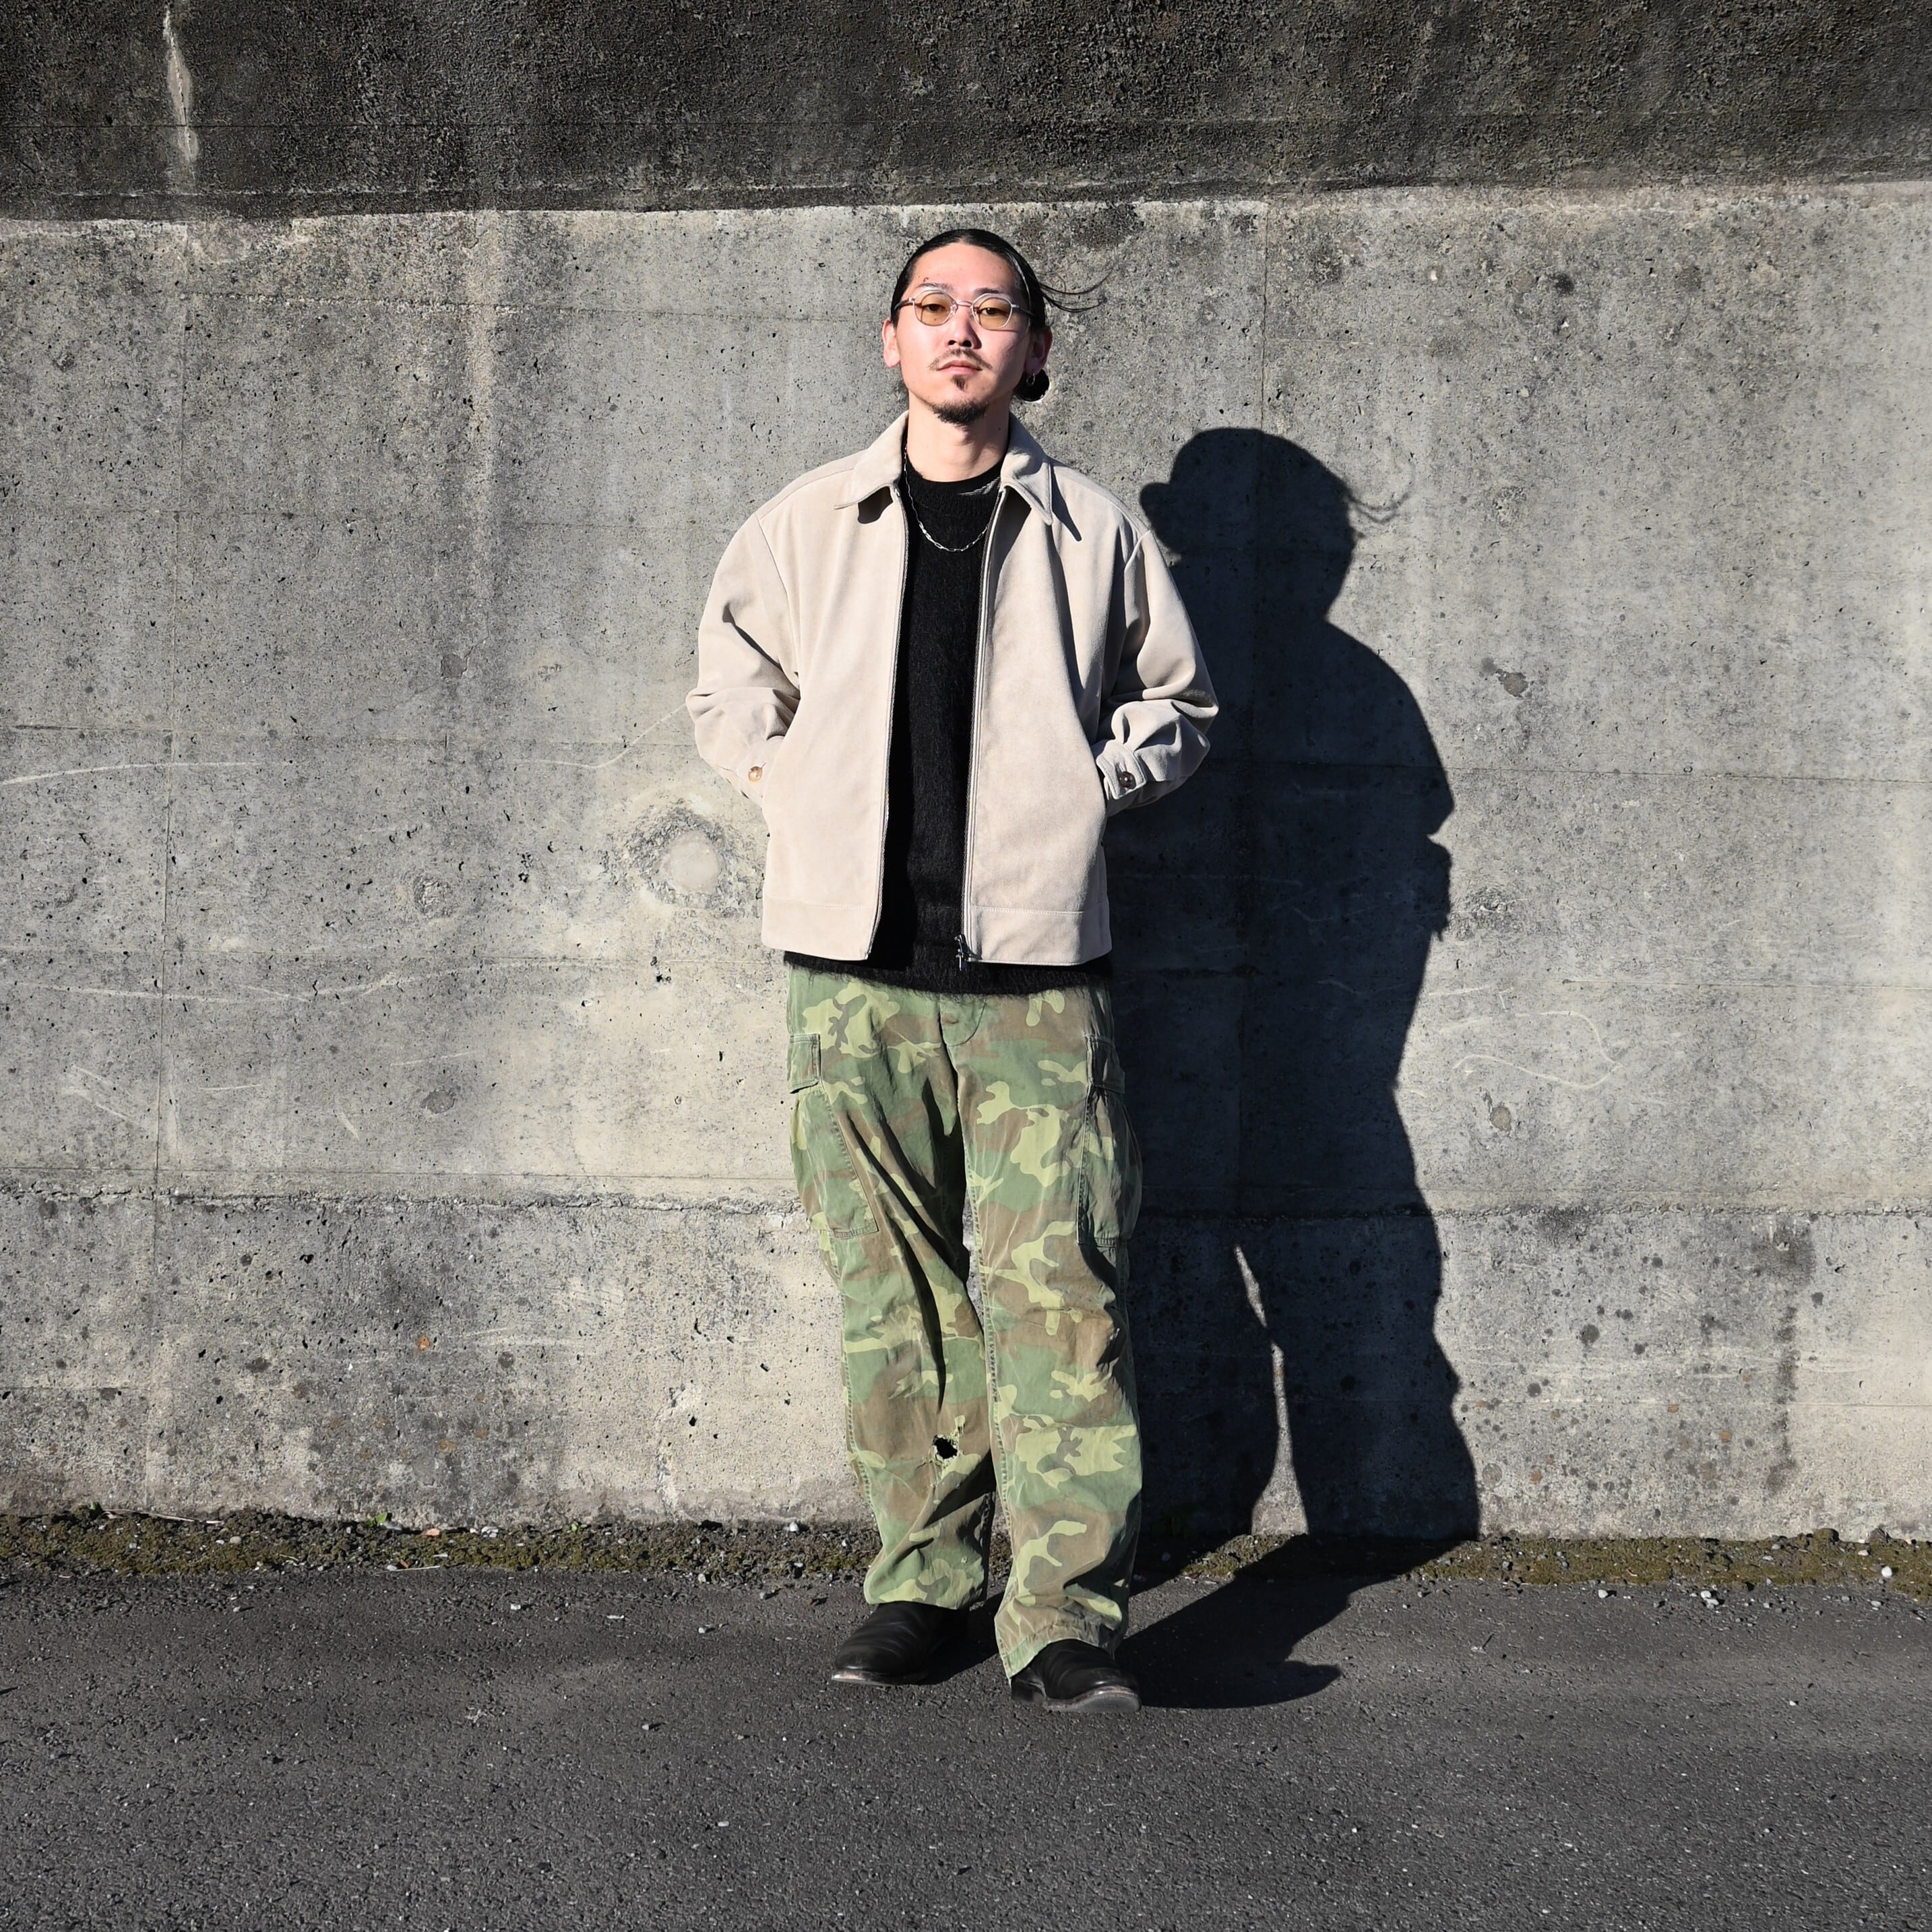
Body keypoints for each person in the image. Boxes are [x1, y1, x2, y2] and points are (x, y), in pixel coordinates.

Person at [686, 228, 1216, 1714]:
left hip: (1038, 983)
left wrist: (1087, 787)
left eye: (993, 311)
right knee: (898, 1306)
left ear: (1034, 350)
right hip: (852, 980)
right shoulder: (808, 522)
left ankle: (1064, 1618)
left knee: (1064, 1304)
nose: (961, 332)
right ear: (892, 339)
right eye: (934, 308)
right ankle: (923, 1585)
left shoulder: (1093, 530)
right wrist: (793, 786)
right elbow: (729, 686)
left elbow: (1179, 705)